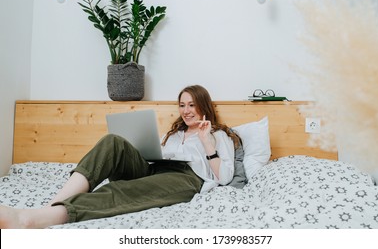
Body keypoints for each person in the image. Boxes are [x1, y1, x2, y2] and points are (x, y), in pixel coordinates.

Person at [0, 85, 241, 228]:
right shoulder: (174, 134)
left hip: (186, 179)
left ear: (203, 106)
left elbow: (225, 177)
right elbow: (154, 155)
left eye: (191, 105)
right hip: (155, 168)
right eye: (182, 105)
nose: (186, 111)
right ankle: (54, 203)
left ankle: (30, 219)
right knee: (112, 141)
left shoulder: (219, 135)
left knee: (125, 190)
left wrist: (206, 141)